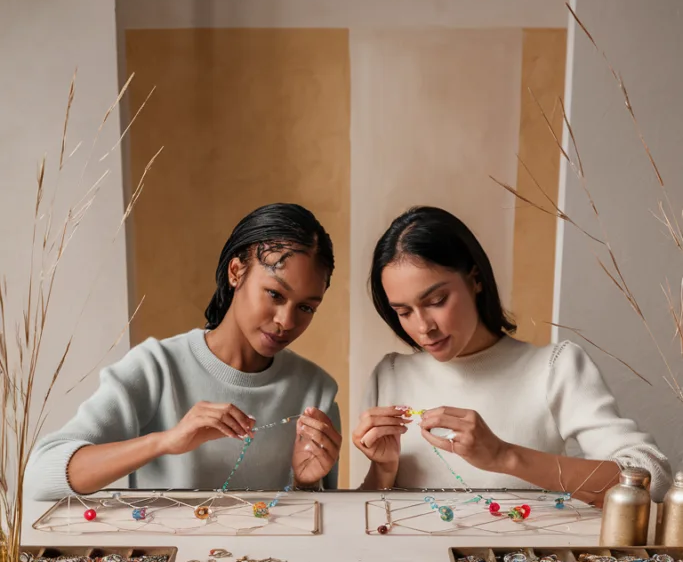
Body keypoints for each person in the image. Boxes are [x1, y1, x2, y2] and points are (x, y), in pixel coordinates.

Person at [353, 205, 671, 503]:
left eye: (436, 300)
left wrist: (505, 456)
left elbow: (651, 477)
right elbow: (368, 518)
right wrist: (383, 470)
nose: (424, 328)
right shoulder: (390, 375)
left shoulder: (554, 369)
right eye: (404, 311)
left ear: (475, 279)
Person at [26, 203, 342, 499]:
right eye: (275, 294)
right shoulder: (156, 369)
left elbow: (318, 530)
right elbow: (40, 477)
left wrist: (306, 484)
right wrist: (165, 441)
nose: (286, 321)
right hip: (171, 559)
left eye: (306, 307)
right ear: (236, 272)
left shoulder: (316, 391)